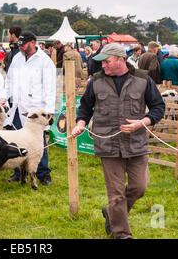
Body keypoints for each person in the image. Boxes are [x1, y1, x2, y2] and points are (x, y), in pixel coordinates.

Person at [71, 43, 165, 239]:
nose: (102, 65)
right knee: (116, 194)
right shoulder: (95, 82)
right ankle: (121, 233)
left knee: (139, 187)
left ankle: (111, 212)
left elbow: (158, 107)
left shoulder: (142, 79)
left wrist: (142, 122)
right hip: (108, 145)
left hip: (136, 143)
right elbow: (85, 108)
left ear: (121, 60)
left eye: (106, 61)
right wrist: (80, 123)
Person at [0, 31, 56, 186]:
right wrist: (5, 96)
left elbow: (50, 87)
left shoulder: (45, 61)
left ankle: (43, 174)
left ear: (33, 42)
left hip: (35, 109)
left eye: (23, 44)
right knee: (17, 139)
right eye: (19, 44)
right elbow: (9, 80)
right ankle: (18, 172)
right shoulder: (17, 58)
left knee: (38, 142)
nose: (21, 47)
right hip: (18, 106)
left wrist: (50, 110)